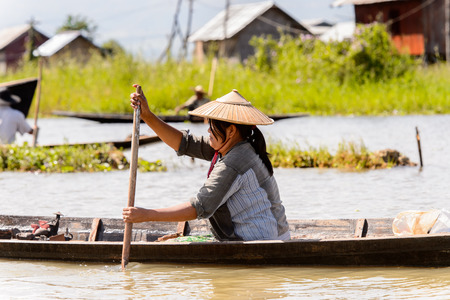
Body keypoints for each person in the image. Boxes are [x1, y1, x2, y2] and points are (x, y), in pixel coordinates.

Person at [123, 84, 290, 241]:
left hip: (263, 238)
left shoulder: (235, 161)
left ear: (231, 131)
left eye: (213, 126)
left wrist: (147, 215)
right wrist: (147, 115)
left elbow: (199, 207)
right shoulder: (233, 146)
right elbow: (185, 143)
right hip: (271, 233)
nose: (208, 130)